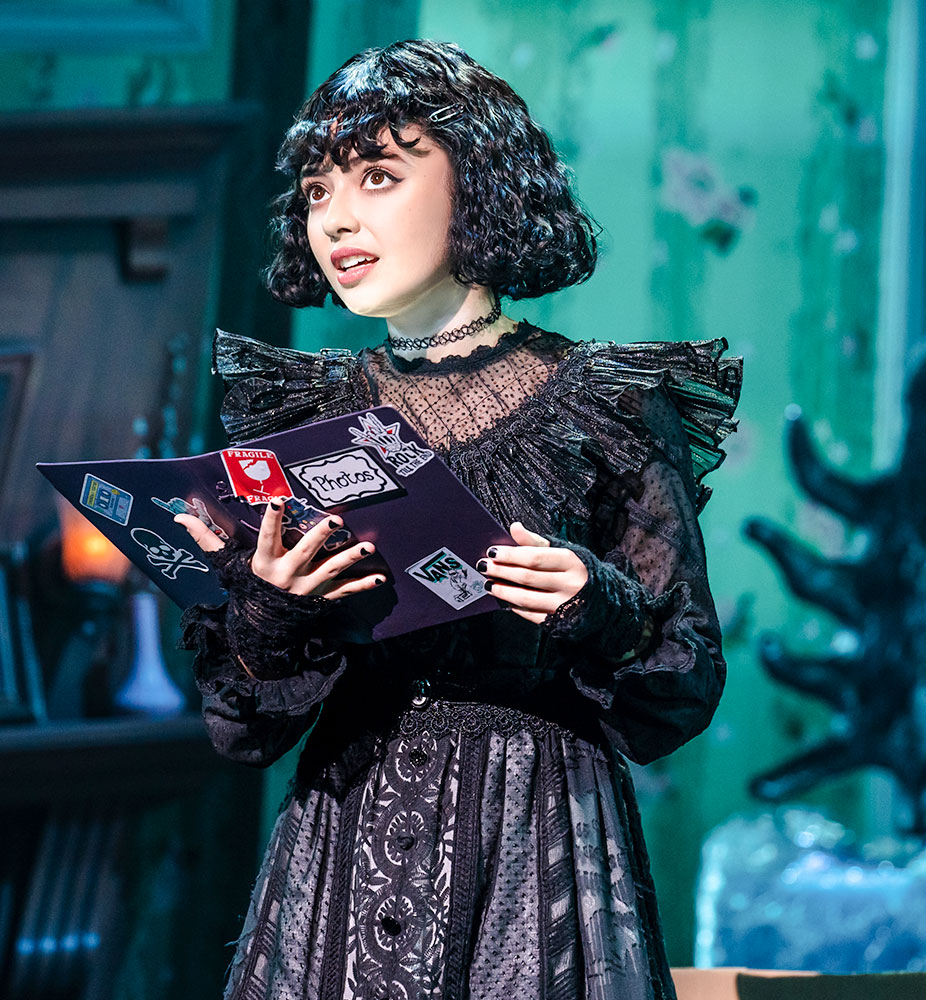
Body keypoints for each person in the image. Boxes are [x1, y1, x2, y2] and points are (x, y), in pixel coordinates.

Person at [173, 38, 742, 1000]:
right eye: (316, 192)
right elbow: (239, 733)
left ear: (476, 185)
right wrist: (268, 610)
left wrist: (591, 603)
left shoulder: (601, 404)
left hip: (536, 839)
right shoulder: (298, 420)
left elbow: (684, 677)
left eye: (378, 177)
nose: (337, 218)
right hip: (342, 843)